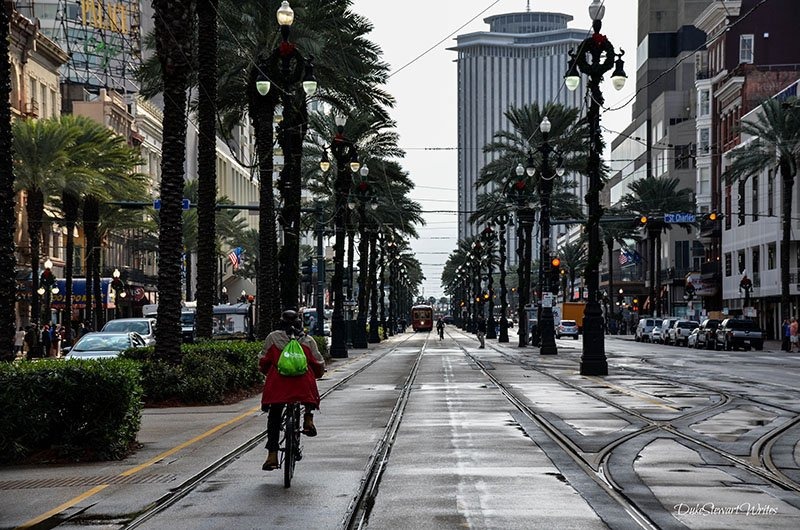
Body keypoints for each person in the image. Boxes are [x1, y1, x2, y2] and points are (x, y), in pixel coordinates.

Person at [259, 310, 325, 471]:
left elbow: (263, 361)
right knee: (309, 389)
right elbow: (318, 363)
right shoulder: (308, 340)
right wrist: (317, 373)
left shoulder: (273, 338)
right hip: (302, 386)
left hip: (278, 387)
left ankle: (272, 455)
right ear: (300, 323)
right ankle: (308, 419)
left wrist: (268, 371)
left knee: (274, 417)